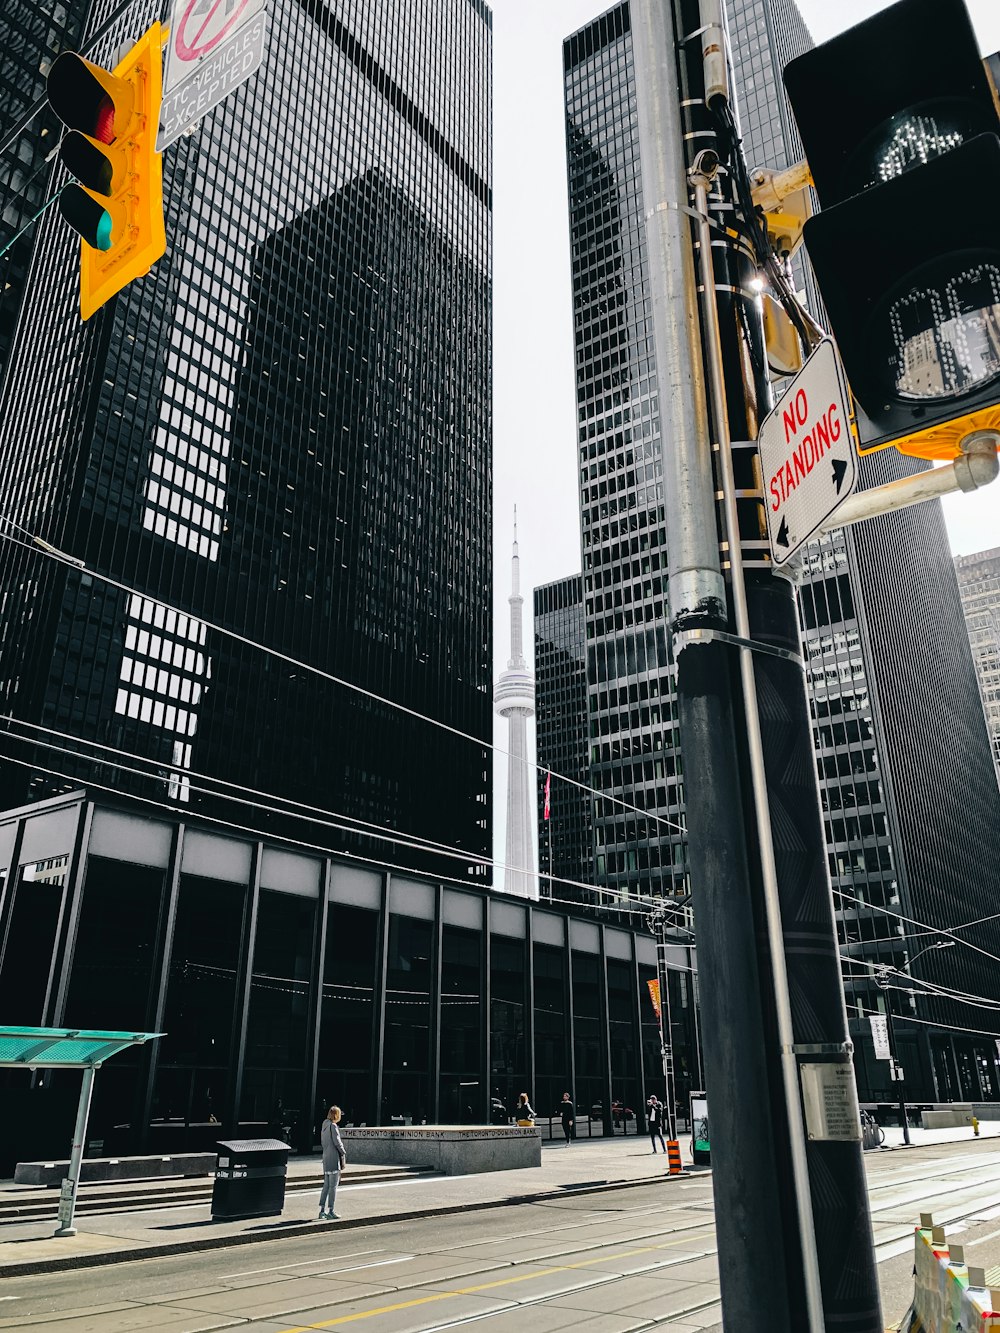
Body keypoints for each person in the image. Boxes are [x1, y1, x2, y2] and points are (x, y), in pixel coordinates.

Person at [319, 1104, 346, 1220]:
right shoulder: (333, 1126)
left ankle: (321, 1210)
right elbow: (337, 1143)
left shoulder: (324, 1125)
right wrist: (343, 1152)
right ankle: (331, 1210)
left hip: (326, 1158)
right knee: (333, 1187)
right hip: (334, 1158)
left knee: (326, 1186)